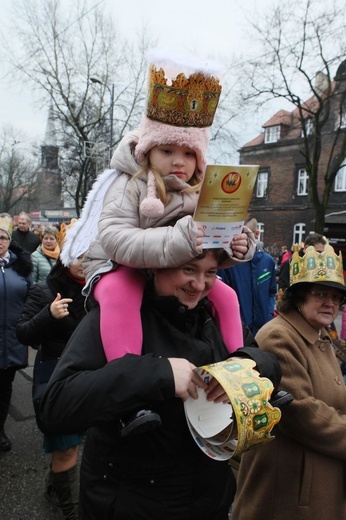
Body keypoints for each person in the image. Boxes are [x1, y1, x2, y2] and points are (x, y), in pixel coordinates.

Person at [63, 51, 255, 434]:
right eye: (167, 150)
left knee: (227, 296)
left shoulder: (202, 191)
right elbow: (116, 239)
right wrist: (181, 238)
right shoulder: (130, 183)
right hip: (118, 264)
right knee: (120, 291)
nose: (178, 161)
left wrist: (238, 246)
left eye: (188, 152)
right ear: (148, 150)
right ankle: (132, 396)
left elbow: (207, 252)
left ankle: (240, 378)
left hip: (167, 267)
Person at [41, 248, 281, 520]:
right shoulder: (112, 316)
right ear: (158, 266)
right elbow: (55, 407)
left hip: (208, 498)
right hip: (133, 502)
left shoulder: (210, 315)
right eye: (189, 269)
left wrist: (243, 366)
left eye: (210, 272)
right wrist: (159, 373)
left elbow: (266, 361)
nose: (199, 284)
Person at [232, 243, 346, 520]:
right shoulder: (279, 336)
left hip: (316, 478)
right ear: (298, 296)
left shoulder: (319, 335)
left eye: (336, 297)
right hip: (288, 489)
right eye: (320, 294)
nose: (330, 303)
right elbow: (300, 412)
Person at [16, 255, 86, 520]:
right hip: (57, 380)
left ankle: (55, 484)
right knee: (67, 447)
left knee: (71, 446)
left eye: (89, 254)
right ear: (66, 257)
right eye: (78, 254)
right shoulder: (44, 289)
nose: (84, 260)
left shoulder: (100, 288)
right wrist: (49, 315)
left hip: (89, 379)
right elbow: (22, 332)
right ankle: (72, 512)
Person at [0, 213, 32, 451]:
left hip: (12, 339)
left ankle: (0, 430)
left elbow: (31, 298)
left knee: (5, 388)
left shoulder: (20, 267)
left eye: (3, 237)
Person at [218, 215, 277, 335]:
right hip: (238, 331)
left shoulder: (268, 261)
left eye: (246, 235)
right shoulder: (229, 264)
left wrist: (268, 314)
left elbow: (271, 291)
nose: (242, 240)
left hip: (263, 330)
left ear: (256, 234)